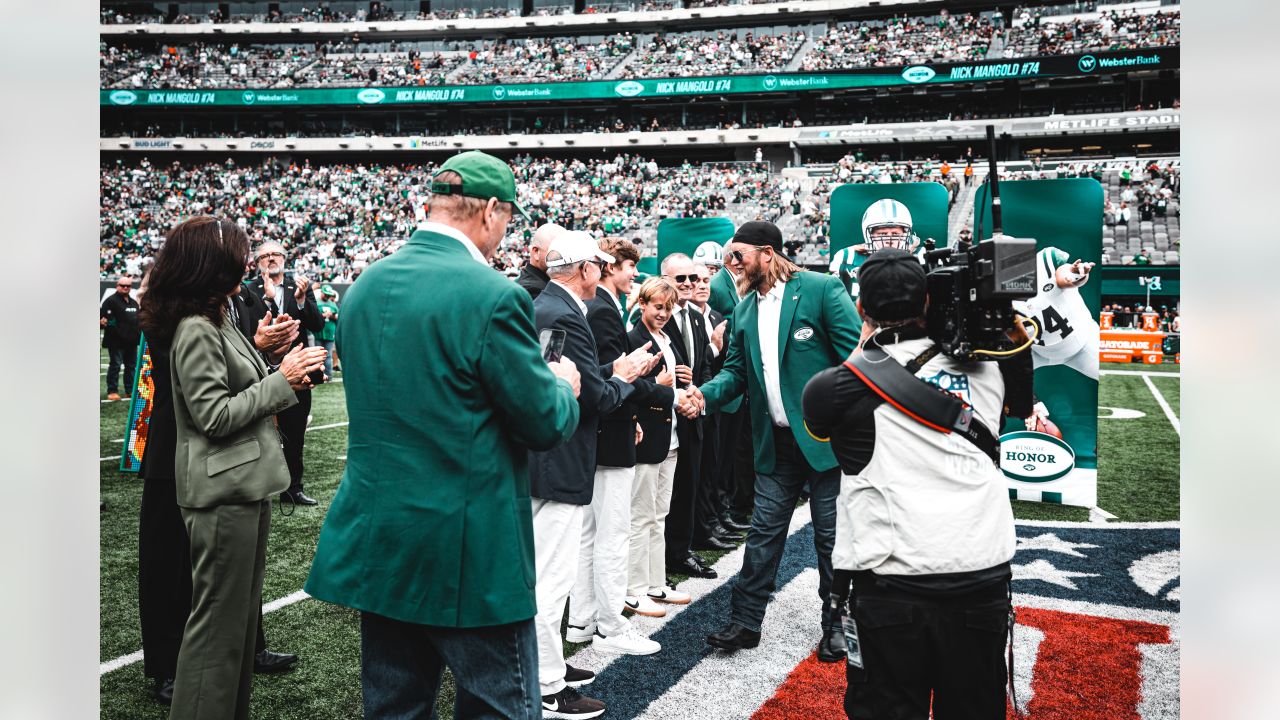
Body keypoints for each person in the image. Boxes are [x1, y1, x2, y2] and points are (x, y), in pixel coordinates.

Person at [305, 151, 582, 719]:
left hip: (381, 539)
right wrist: (564, 386)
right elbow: (543, 422)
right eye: (506, 218)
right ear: (488, 212)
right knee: (499, 705)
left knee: (395, 709)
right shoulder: (491, 294)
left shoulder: (364, 286)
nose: (505, 233)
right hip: (467, 548)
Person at [801, 248, 1030, 720]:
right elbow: (1020, 392)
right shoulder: (991, 368)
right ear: (928, 299)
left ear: (860, 308)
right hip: (979, 573)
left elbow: (821, 425)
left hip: (891, 580)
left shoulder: (834, 388)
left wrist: (866, 342)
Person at [139, 216, 327, 720]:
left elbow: (231, 382)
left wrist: (265, 354)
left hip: (242, 485)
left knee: (237, 628)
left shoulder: (216, 318)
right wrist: (283, 379)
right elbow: (213, 416)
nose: (247, 266)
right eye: (238, 258)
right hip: (222, 490)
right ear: (210, 265)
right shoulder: (197, 327)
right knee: (217, 631)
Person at [685, 220, 860, 662]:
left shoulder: (821, 289)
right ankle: (745, 622)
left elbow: (856, 363)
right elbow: (736, 374)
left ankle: (836, 624)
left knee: (831, 538)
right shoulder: (744, 310)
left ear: (767, 253)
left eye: (737, 255)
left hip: (826, 443)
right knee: (763, 535)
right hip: (776, 444)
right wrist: (701, 396)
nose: (730, 264)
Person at [531, 230, 658, 717]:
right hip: (559, 461)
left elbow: (570, 382)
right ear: (584, 269)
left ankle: (549, 670)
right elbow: (590, 399)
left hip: (544, 461)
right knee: (551, 581)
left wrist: (610, 370)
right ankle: (546, 684)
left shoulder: (548, 306)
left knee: (548, 576)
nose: (602, 273)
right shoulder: (563, 313)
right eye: (598, 266)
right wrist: (625, 378)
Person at [568, 236, 679, 642]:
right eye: (630, 266)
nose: (636, 273)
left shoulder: (600, 307)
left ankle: (584, 620)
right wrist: (648, 398)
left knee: (592, 532)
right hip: (608, 431)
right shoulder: (603, 310)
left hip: (606, 425)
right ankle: (611, 623)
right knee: (612, 531)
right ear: (609, 267)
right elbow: (610, 376)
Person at [626, 278, 689, 617]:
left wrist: (684, 380)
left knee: (659, 515)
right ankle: (634, 590)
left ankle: (655, 583)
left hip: (671, 437)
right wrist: (657, 384)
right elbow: (626, 385)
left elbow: (671, 385)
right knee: (640, 516)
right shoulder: (634, 338)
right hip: (647, 438)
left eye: (668, 308)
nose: (663, 313)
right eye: (658, 307)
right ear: (643, 305)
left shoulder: (666, 338)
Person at [246, 240, 325, 506]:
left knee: (295, 428)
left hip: (296, 366)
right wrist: (268, 300)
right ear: (257, 263)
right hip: (259, 369)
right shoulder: (249, 290)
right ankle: (256, 486)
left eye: (275, 254)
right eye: (264, 256)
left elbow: (317, 324)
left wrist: (302, 302)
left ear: (284, 258)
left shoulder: (299, 287)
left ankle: (293, 488)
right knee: (256, 427)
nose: (270, 258)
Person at [660, 253, 719, 579]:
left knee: (689, 487)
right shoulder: (657, 316)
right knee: (665, 494)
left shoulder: (695, 316)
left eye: (693, 279)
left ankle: (681, 551)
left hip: (693, 413)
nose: (689, 284)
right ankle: (667, 555)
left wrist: (700, 396)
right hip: (667, 415)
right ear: (665, 278)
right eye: (680, 278)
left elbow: (705, 368)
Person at [101, 275, 141, 401]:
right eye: (122, 285)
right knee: (116, 365)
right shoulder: (110, 301)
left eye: (128, 286)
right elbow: (107, 321)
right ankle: (112, 390)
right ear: (117, 286)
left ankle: (130, 390)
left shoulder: (134, 303)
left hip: (131, 341)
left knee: (131, 366)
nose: (125, 288)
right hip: (116, 341)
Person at [517, 222, 566, 299]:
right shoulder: (533, 290)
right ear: (536, 252)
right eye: (557, 250)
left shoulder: (544, 282)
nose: (565, 256)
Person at [315, 284, 340, 377]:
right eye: (326, 294)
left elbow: (338, 317)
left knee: (328, 356)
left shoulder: (332, 304)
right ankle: (318, 376)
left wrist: (332, 316)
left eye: (328, 295)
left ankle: (328, 376)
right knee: (318, 356)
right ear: (321, 292)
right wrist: (323, 315)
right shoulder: (316, 303)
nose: (327, 296)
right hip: (318, 332)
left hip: (329, 333)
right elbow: (312, 317)